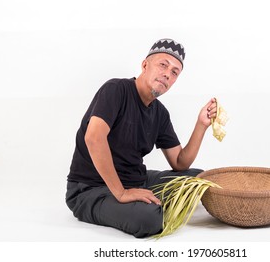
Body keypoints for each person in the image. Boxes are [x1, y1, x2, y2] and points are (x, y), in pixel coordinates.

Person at [65, 38, 218, 238]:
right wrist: (121, 193)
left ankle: (146, 201)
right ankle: (146, 206)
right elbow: (94, 138)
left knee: (200, 180)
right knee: (150, 219)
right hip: (91, 189)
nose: (167, 74)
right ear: (145, 65)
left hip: (136, 180)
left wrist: (201, 125)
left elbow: (180, 162)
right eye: (163, 65)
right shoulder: (115, 90)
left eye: (174, 72)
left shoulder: (160, 113)